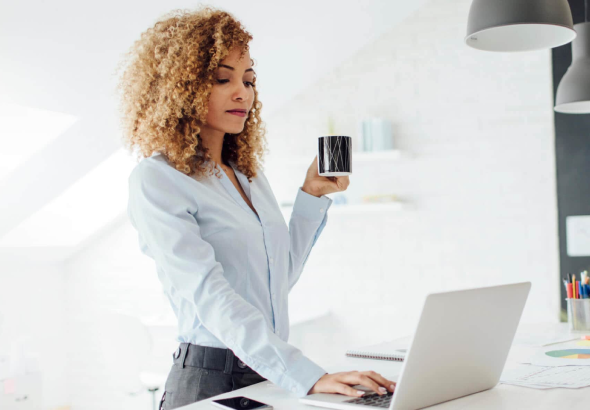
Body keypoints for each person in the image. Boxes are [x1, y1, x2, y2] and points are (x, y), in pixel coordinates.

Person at [116, 5, 396, 410]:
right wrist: (308, 375)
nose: (242, 93)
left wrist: (311, 195)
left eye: (248, 80)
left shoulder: (247, 176)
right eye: (222, 79)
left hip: (270, 370)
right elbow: (210, 296)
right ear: (179, 87)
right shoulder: (157, 180)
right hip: (211, 379)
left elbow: (277, 279)